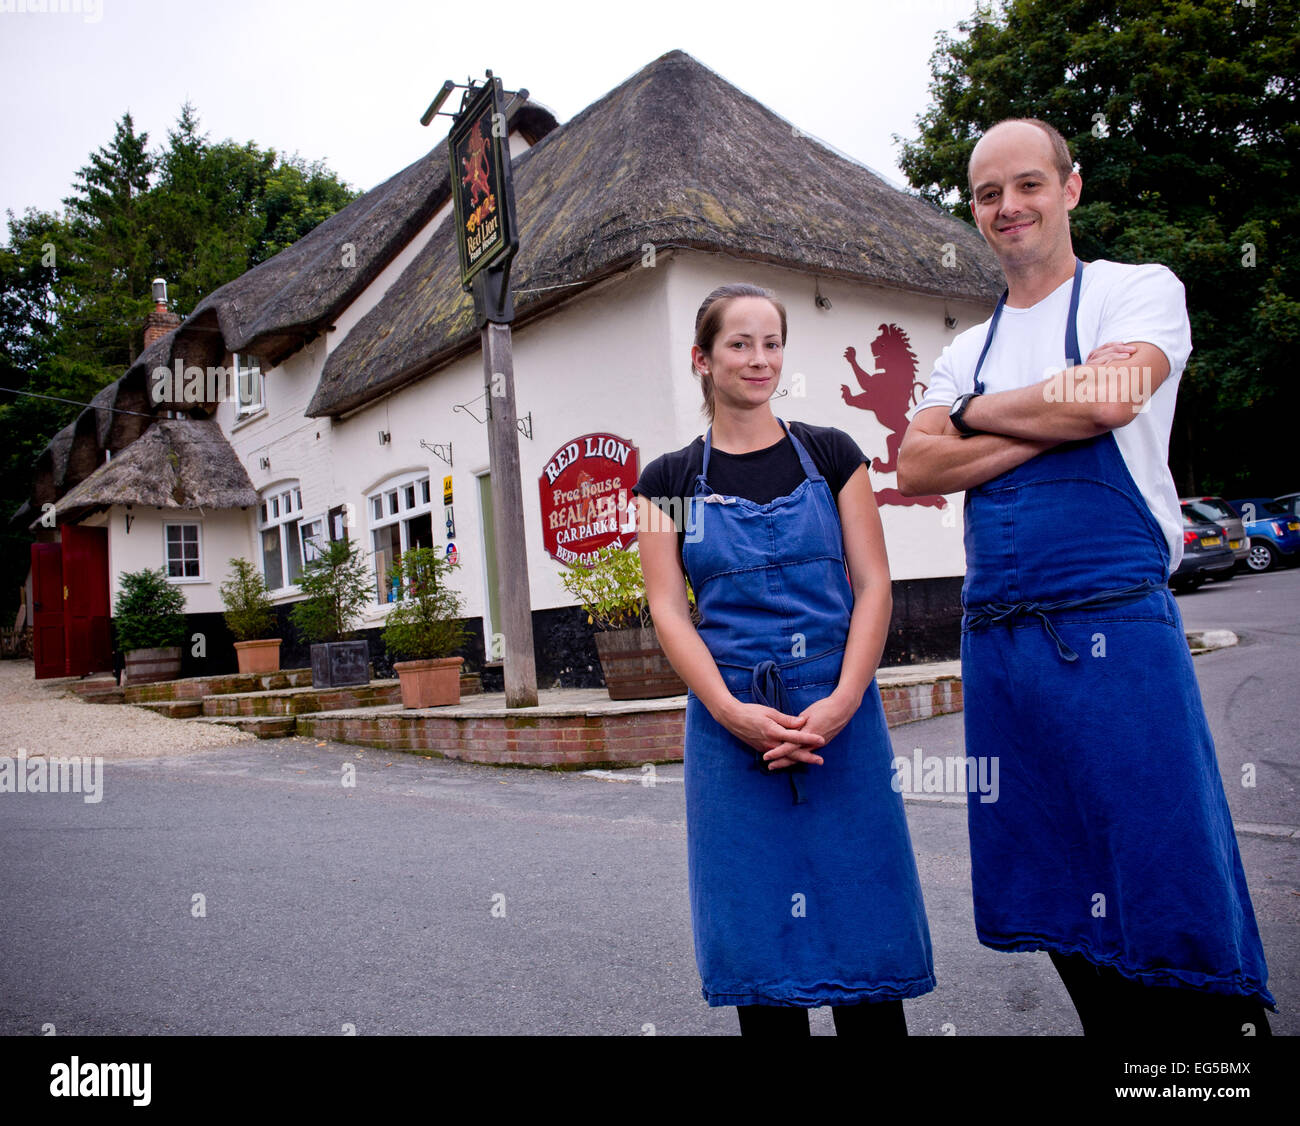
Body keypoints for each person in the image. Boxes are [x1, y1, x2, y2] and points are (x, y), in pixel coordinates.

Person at [897, 118, 1274, 1034]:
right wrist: (1049, 412)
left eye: (1027, 185)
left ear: (1070, 187)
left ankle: (1210, 1066)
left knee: (1165, 865)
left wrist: (976, 421)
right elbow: (915, 467)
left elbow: (1109, 397)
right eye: (988, 195)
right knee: (1052, 876)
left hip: (1117, 628)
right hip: (1001, 645)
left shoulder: (1134, 292)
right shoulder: (962, 347)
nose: (1008, 207)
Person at [634, 283, 935, 1037]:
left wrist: (842, 702)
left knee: (867, 955)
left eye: (771, 342)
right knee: (763, 964)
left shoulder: (834, 454)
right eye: (739, 343)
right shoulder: (665, 482)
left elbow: (872, 586)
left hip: (840, 720)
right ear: (702, 359)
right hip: (731, 729)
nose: (759, 359)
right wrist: (730, 712)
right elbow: (669, 609)